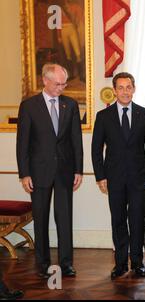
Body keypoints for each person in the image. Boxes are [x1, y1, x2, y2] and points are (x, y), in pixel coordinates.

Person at [92, 72, 145, 280]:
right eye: (120, 88)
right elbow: (96, 149)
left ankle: (138, 263)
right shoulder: (103, 116)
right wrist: (100, 176)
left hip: (139, 178)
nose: (124, 91)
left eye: (128, 87)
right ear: (114, 90)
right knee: (118, 221)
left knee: (138, 220)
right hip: (114, 179)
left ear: (134, 89)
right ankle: (120, 263)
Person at [16, 63, 83, 279]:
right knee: (41, 218)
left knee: (64, 218)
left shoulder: (70, 105)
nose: (61, 88)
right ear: (45, 81)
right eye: (57, 84)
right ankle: (42, 264)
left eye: (64, 84)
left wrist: (78, 170)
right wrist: (24, 173)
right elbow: (22, 144)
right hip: (38, 172)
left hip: (65, 171)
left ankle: (66, 263)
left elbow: (76, 141)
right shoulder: (28, 106)